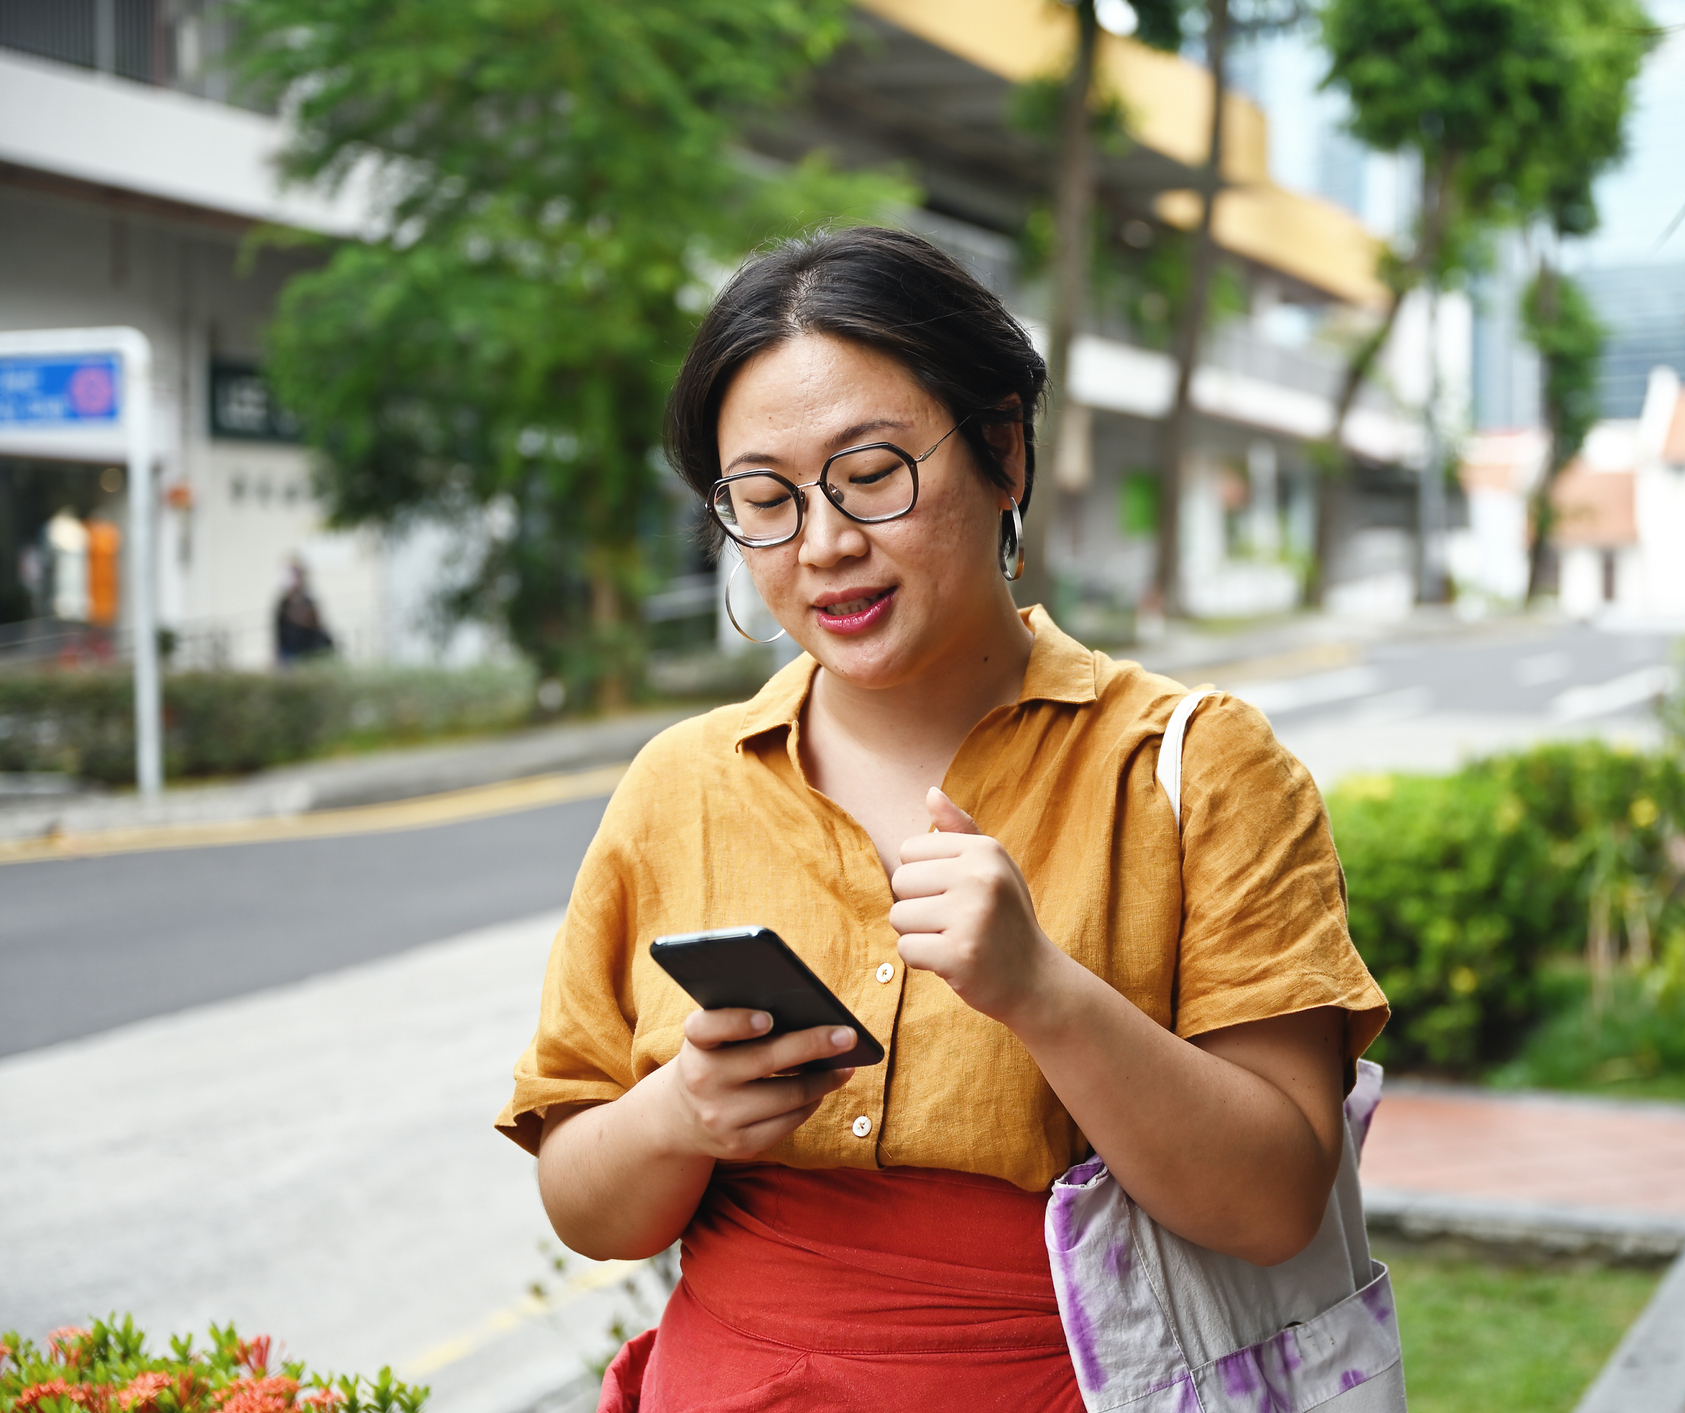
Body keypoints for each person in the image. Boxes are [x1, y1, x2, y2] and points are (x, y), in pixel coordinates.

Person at [496, 226, 1388, 1412]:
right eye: (764, 500)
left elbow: (1273, 1203)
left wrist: (1043, 993)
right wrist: (680, 1115)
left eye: (872, 476)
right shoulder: (682, 785)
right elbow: (586, 1207)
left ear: (1003, 448)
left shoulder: (1194, 766)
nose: (824, 546)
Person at [273, 558, 333, 665]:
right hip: (289, 652)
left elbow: (316, 625)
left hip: (307, 651)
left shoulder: (308, 602)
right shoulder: (284, 604)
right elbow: (279, 631)